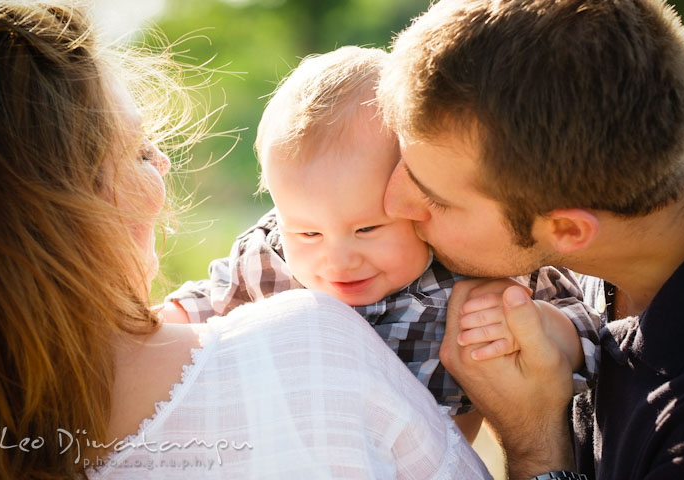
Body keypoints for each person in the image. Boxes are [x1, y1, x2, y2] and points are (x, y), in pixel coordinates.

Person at [0, 3, 495, 478]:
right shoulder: (310, 337)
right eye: (140, 153)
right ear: (72, 209)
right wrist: (533, 430)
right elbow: (217, 290)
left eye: (366, 227)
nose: (163, 164)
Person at [162, 46, 601, 440]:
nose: (338, 259)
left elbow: (589, 333)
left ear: (417, 200)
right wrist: (165, 318)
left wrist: (538, 323)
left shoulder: (476, 268)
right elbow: (211, 300)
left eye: (367, 229)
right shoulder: (269, 257)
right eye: (308, 233)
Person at [377, 0, 684, 478]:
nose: (392, 204)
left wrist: (534, 441)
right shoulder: (595, 177)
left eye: (436, 199)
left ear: (568, 230)